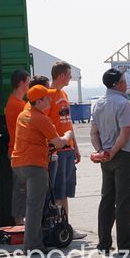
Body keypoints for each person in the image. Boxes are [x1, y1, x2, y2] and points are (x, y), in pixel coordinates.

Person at [11, 85, 73, 254]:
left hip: (19, 164)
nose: (50, 100)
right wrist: (68, 134)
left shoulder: (23, 115)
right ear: (38, 101)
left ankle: (38, 239)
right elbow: (59, 143)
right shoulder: (40, 118)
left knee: (33, 204)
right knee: (35, 207)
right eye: (46, 98)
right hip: (34, 165)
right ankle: (32, 246)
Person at [91, 69, 130, 254]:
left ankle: (104, 243)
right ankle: (126, 244)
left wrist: (101, 151)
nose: (125, 83)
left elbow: (94, 133)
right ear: (118, 84)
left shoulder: (97, 104)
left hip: (106, 157)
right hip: (122, 155)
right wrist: (114, 151)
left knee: (107, 200)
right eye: (123, 81)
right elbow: (125, 131)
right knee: (124, 202)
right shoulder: (122, 103)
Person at [47, 61, 85, 240]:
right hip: (58, 150)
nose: (70, 78)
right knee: (58, 192)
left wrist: (75, 147)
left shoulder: (63, 93)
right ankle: (59, 227)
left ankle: (65, 226)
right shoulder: (48, 95)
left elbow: (67, 123)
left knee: (66, 191)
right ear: (61, 75)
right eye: (69, 74)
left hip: (68, 149)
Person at [6, 69, 30, 225]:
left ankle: (20, 221)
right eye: (28, 82)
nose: (29, 86)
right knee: (21, 190)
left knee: (21, 189)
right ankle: (20, 223)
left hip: (16, 151)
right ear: (21, 83)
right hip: (20, 152)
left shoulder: (12, 102)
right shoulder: (19, 105)